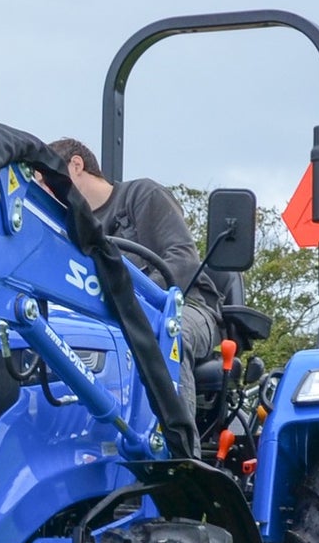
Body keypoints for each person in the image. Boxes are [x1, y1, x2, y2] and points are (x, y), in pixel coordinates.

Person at [47, 140, 222, 381]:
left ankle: (172, 418)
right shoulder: (70, 231)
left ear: (76, 165)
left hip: (184, 308)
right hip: (108, 317)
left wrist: (133, 302)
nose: (43, 190)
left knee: (165, 337)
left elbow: (183, 259)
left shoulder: (142, 195)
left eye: (45, 179)